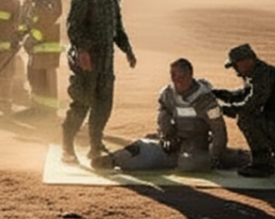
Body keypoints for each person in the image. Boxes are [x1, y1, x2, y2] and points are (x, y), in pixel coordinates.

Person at [61, 0, 137, 164]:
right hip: (86, 62)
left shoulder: (110, 0)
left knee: (103, 105)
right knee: (81, 102)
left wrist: (128, 50)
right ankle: (67, 147)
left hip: (106, 63)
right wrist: (83, 50)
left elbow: (118, 30)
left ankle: (95, 146)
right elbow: (73, 26)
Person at [92, 58, 228, 171]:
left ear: (190, 75)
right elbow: (163, 117)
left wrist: (215, 155)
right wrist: (166, 136)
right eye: (173, 76)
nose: (177, 81)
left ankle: (231, 157)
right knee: (139, 149)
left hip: (197, 143)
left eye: (181, 76)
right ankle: (113, 160)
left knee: (188, 164)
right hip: (173, 140)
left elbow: (219, 130)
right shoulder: (168, 94)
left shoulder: (205, 98)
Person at [212, 44, 275, 177]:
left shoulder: (262, 75)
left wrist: (227, 109)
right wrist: (218, 94)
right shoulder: (257, 73)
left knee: (247, 119)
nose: (235, 69)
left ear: (246, 61)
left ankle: (264, 164)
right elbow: (243, 94)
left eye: (235, 65)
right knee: (257, 118)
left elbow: (252, 103)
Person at [18, 0, 62, 116]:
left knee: (46, 79)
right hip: (35, 46)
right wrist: (20, 35)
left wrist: (33, 36)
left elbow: (49, 17)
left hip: (46, 44)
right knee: (34, 76)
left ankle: (48, 112)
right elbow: (25, 19)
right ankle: (37, 109)